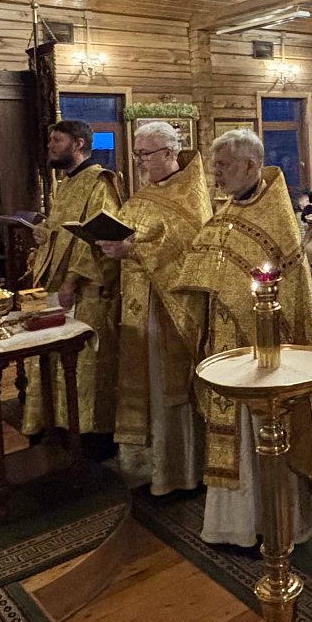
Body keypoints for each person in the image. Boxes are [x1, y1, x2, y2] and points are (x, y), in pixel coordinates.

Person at [175, 129, 312, 546]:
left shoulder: (276, 218)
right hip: (225, 340)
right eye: (215, 165)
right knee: (233, 434)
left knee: (263, 433)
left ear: (250, 165)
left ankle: (276, 524)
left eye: (224, 165)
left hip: (267, 348)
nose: (216, 173)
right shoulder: (227, 209)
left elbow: (290, 293)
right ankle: (234, 526)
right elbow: (207, 269)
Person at [97, 122, 212, 495]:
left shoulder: (191, 195)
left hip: (169, 310)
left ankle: (177, 473)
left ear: (169, 153)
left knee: (168, 389)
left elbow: (191, 249)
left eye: (144, 154)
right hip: (137, 303)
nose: (139, 161)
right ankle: (144, 469)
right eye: (137, 154)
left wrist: (133, 249)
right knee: (142, 386)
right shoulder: (145, 193)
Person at [24, 119, 122, 457]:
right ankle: (56, 428)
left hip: (83, 291)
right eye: (51, 139)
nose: (50, 145)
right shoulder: (66, 183)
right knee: (53, 360)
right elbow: (64, 232)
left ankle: (88, 438)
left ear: (78, 144)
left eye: (57, 140)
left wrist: (70, 281)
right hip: (55, 287)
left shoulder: (100, 182)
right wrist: (44, 232)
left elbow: (95, 238)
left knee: (83, 365)